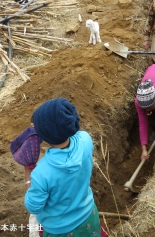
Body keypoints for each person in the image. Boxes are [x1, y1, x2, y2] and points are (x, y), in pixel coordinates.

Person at [24, 98, 101, 237]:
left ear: (45, 135)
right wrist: (43, 128)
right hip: (89, 216)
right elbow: (69, 131)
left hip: (61, 230)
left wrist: (28, 172)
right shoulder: (86, 140)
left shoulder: (42, 172)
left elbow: (34, 207)